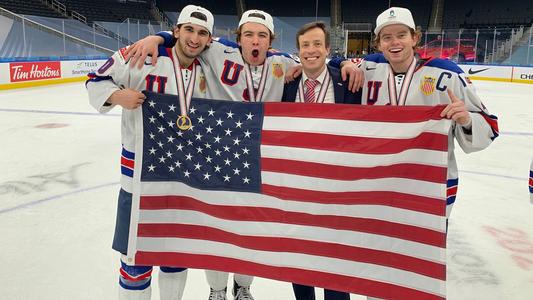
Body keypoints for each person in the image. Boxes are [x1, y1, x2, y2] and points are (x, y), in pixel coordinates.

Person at [122, 9, 363, 300]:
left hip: (261, 164)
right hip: (218, 160)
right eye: (248, 34)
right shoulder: (217, 52)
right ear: (239, 39)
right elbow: (189, 39)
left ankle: (244, 286)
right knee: (219, 234)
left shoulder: (283, 63)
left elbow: (316, 59)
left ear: (271, 41)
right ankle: (217, 290)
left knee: (251, 233)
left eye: (261, 35)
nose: (255, 41)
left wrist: (345, 61)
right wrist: (157, 37)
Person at [360, 7, 499, 297]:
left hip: (429, 189)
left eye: (401, 35)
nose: (394, 42)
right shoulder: (368, 69)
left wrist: (465, 119)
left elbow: (489, 128)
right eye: (387, 37)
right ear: (378, 43)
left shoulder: (446, 75)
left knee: (420, 265)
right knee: (378, 261)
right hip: (380, 187)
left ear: (415, 38)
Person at [85, 5, 214, 300]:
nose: (194, 39)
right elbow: (95, 80)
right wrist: (118, 95)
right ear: (177, 31)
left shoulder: (211, 65)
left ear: (209, 39)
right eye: (188, 30)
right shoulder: (140, 55)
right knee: (135, 261)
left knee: (176, 258)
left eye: (202, 33)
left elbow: (241, 45)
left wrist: (161, 36)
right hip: (139, 179)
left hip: (185, 181)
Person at [282, 21, 361, 300]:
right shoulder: (287, 87)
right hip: (297, 190)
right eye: (305, 45)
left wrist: (346, 64)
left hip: (337, 192)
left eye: (317, 44)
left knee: (336, 263)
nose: (311, 50)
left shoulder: (348, 83)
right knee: (300, 260)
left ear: (328, 49)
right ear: (298, 51)